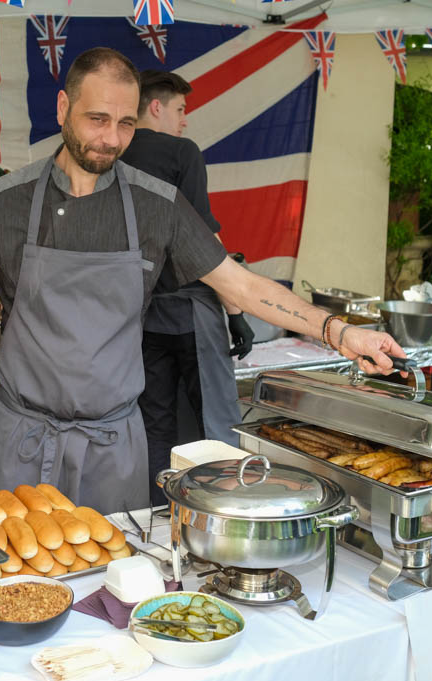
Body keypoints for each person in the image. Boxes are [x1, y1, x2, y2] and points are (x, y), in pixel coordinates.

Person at [0, 47, 406, 513]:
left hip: (114, 448)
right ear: (63, 107)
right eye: (97, 119)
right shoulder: (7, 201)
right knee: (15, 590)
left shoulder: (158, 206)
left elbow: (241, 287)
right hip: (20, 442)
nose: (111, 139)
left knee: (116, 589)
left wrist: (340, 331)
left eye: (126, 123)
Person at [120, 69, 252, 506]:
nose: (184, 120)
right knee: (217, 422)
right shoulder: (182, 152)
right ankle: (224, 512)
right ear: (156, 107)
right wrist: (236, 311)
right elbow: (205, 244)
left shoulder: (112, 154)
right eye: (180, 109)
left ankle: (160, 515)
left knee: (154, 424)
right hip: (190, 308)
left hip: (137, 315)